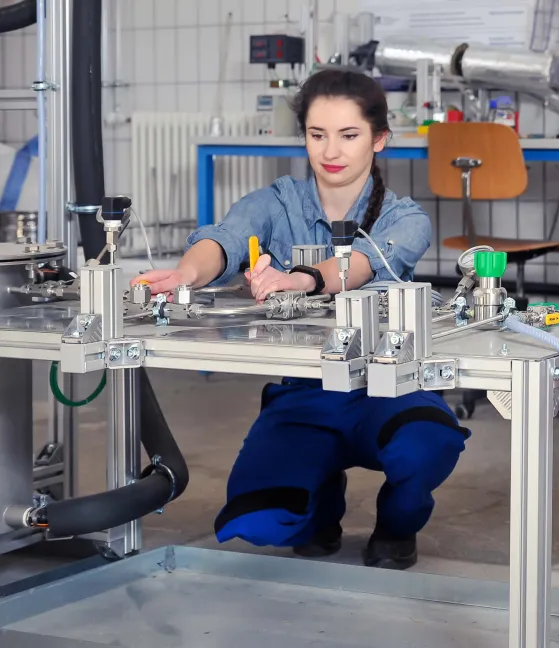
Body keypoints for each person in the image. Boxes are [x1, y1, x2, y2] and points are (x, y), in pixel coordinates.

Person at [132, 69, 470, 570]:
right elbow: (225, 238)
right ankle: (321, 496)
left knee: (427, 446)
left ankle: (398, 523)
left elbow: (363, 263)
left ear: (378, 139)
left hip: (391, 387)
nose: (331, 150)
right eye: (317, 135)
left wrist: (304, 277)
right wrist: (186, 272)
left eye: (349, 135)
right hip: (308, 393)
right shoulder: (277, 202)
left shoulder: (405, 218)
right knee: (259, 522)